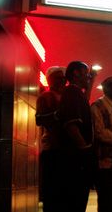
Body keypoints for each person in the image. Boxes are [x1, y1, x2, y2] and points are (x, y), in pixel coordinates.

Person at [56, 61, 97, 212]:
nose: (88, 75)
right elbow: (71, 124)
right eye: (86, 72)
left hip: (75, 157)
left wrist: (91, 82)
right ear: (76, 73)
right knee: (76, 200)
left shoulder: (75, 93)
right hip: (75, 158)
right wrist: (85, 149)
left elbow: (84, 101)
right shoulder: (72, 92)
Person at [35, 66, 66, 212]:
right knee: (52, 194)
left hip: (62, 150)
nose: (63, 80)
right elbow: (39, 119)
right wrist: (57, 114)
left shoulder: (66, 96)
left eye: (63, 78)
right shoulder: (45, 97)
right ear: (51, 80)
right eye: (59, 78)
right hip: (52, 150)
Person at [91, 76, 112, 212]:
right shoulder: (97, 106)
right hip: (103, 163)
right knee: (105, 200)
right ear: (106, 88)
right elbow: (99, 133)